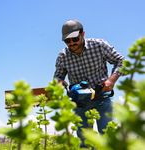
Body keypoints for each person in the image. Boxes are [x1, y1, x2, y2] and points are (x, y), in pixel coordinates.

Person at [53, 19, 124, 147]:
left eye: (74, 39)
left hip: (102, 98)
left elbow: (121, 61)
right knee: (84, 141)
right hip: (80, 103)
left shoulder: (99, 45)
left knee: (107, 137)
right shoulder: (62, 56)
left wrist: (111, 80)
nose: (71, 43)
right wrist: (58, 82)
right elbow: (57, 77)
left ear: (83, 34)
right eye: (67, 41)